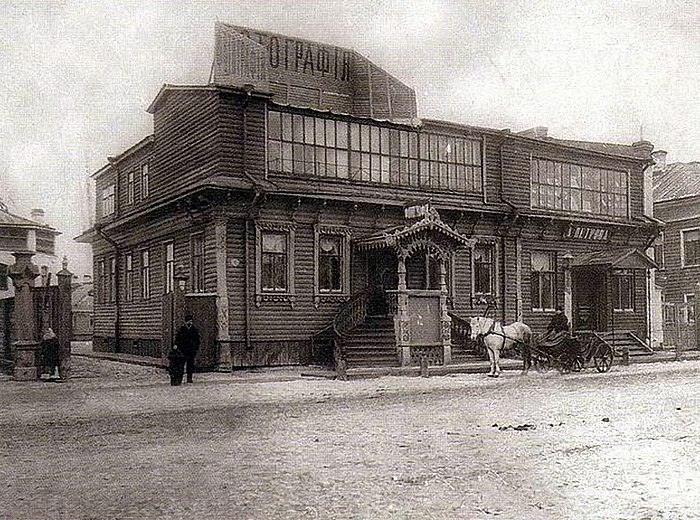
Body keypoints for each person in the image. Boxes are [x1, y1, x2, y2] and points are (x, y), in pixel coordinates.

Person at [174, 314, 200, 383]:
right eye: (188, 321)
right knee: (181, 365)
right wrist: (176, 345)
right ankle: (180, 378)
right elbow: (178, 339)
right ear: (185, 322)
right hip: (183, 350)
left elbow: (197, 340)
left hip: (191, 351)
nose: (190, 323)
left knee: (190, 365)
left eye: (191, 321)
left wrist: (195, 348)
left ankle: (189, 378)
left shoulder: (194, 330)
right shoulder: (182, 329)